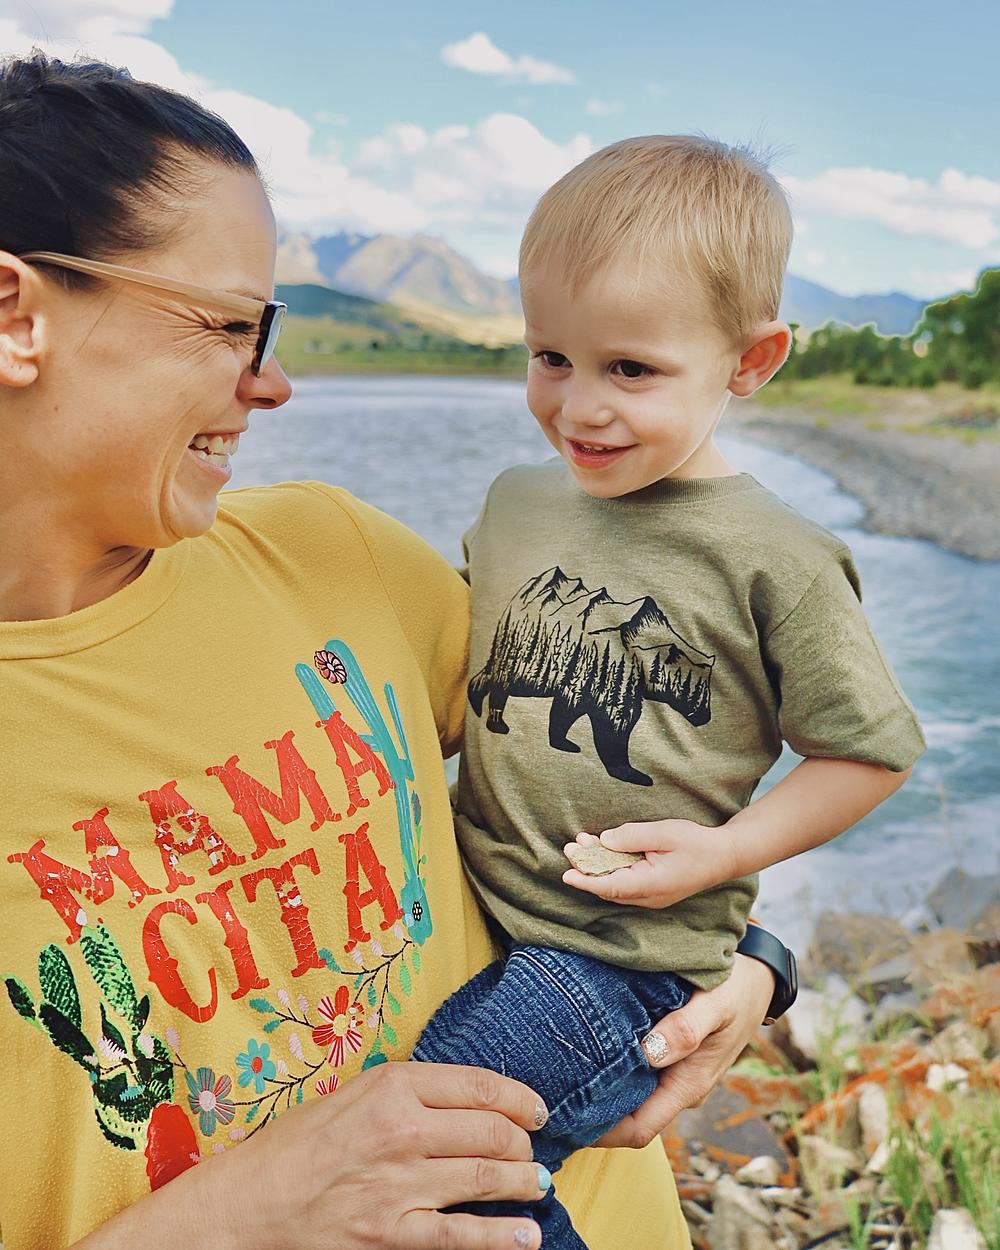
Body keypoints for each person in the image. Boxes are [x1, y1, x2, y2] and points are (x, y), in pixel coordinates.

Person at [0, 56, 788, 1250]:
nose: (272, 381)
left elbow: (645, 755)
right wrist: (245, 1211)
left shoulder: (336, 552)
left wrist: (751, 961)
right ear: (18, 315)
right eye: (230, 324)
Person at [412, 136, 926, 1248]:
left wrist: (725, 852)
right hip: (474, 904)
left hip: (620, 957)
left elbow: (869, 750)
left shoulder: (777, 557)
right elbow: (466, 680)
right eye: (551, 356)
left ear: (750, 361)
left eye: (631, 370)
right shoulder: (515, 503)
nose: (578, 407)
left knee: (434, 1156)